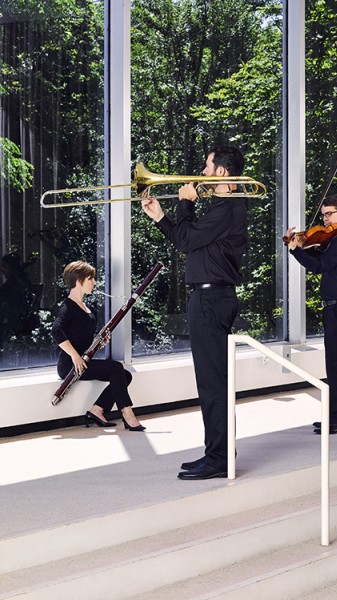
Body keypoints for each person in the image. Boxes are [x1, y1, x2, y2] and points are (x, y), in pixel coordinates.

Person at [141, 145, 247, 479]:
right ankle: (215, 453)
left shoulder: (227, 207)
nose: (201, 173)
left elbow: (187, 241)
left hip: (212, 299)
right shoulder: (222, 208)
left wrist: (185, 202)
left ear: (220, 172)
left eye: (206, 167)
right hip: (207, 298)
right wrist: (160, 217)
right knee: (210, 382)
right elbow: (186, 239)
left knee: (213, 384)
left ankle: (219, 459)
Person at [285, 193, 337, 435]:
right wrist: (299, 243)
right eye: (324, 214)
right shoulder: (336, 240)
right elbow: (320, 256)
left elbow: (320, 266)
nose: (325, 219)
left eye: (330, 214)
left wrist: (296, 251)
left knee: (335, 365)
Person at [52, 261, 144, 431]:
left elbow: (81, 338)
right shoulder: (68, 306)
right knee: (116, 368)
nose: (94, 283)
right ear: (79, 281)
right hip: (70, 365)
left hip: (82, 363)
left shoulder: (86, 308)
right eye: (90, 278)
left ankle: (97, 410)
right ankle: (128, 414)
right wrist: (74, 356)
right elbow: (56, 331)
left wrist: (99, 343)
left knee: (125, 376)